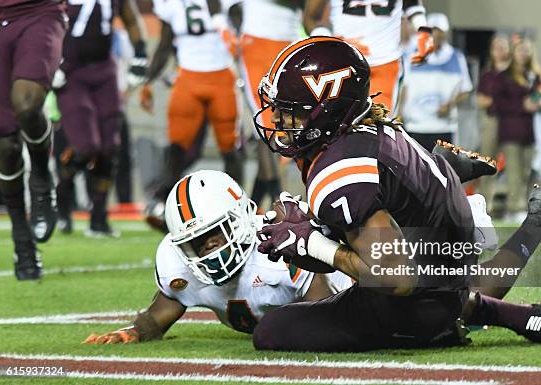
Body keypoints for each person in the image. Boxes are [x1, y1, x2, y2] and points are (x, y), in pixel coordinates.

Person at [252, 37, 541, 351]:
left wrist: (314, 242)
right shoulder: (373, 128)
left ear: (326, 109)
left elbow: (397, 279)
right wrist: (312, 233)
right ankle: (524, 226)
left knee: (272, 330)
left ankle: (458, 318)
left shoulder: (340, 168)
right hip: (445, 254)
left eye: (290, 110)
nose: (279, 121)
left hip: (421, 288)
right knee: (433, 283)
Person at [82, 170, 352, 344]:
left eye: (216, 233)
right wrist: (131, 332)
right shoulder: (178, 264)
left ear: (242, 220)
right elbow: (160, 313)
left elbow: (326, 314)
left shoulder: (277, 248)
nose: (209, 247)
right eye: (196, 242)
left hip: (354, 287)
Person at [141, 0, 242, 231]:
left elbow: (239, 32)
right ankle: (164, 204)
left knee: (230, 146)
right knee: (177, 146)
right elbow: (165, 45)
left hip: (221, 77)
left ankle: (236, 206)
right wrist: (148, 80)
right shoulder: (171, 4)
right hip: (188, 77)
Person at [54, 0, 148, 237]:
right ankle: (62, 197)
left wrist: (140, 52)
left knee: (109, 147)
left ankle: (98, 217)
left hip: (104, 69)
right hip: (71, 71)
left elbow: (131, 16)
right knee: (86, 146)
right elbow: (43, 19)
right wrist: (48, 58)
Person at [0, 0, 67, 280]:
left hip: (39, 11)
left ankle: (40, 178)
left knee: (27, 105)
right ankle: (22, 239)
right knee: (5, 144)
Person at [230, 0, 304, 208]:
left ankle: (250, 206)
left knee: (282, 127)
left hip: (291, 42)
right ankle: (281, 206)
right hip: (258, 41)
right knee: (271, 124)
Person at [303, 0, 433, 113]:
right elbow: (311, 18)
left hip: (386, 62)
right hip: (343, 63)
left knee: (378, 128)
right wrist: (330, 41)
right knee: (336, 127)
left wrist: (422, 28)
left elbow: (411, 4)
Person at [399, 13, 473, 152]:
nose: (436, 34)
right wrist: (399, 114)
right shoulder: (410, 56)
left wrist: (450, 105)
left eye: (440, 31)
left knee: (443, 169)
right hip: (416, 125)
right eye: (433, 30)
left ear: (445, 33)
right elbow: (404, 87)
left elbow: (465, 90)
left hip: (445, 127)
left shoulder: (457, 57)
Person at [493, 37, 541, 223]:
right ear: (513, 52)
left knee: (526, 172)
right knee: (514, 173)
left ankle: (522, 206)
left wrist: (539, 100)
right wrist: (523, 105)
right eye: (521, 49)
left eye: (527, 50)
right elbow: (498, 104)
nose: (524, 53)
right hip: (510, 131)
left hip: (530, 133)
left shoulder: (534, 75)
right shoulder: (504, 76)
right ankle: (515, 209)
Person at [477, 34, 511, 211]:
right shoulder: (488, 75)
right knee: (487, 164)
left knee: (514, 164)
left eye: (503, 46)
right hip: (492, 120)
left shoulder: (514, 73)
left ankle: (515, 207)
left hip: (512, 121)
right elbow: (481, 101)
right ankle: (485, 205)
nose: (500, 50)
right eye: (496, 46)